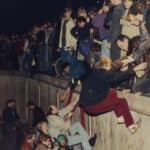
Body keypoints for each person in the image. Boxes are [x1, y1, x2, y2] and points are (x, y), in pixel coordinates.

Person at [79, 57, 147, 134]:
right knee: (112, 93)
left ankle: (131, 125)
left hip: (88, 105)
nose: (110, 68)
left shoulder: (95, 72)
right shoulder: (103, 74)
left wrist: (123, 61)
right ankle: (120, 116)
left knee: (122, 102)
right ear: (105, 66)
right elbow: (118, 76)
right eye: (109, 66)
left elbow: (113, 68)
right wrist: (136, 69)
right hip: (93, 106)